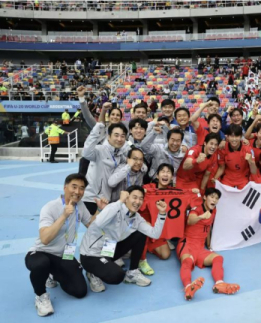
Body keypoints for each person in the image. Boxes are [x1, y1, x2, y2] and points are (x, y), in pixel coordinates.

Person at [25, 174, 100, 317]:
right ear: (65, 187)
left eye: (82, 188)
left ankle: (52, 274)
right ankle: (41, 296)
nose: (78, 192)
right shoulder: (50, 207)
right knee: (41, 264)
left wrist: (100, 211)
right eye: (74, 187)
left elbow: (91, 224)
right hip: (41, 252)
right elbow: (45, 238)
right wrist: (64, 216)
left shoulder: (80, 205)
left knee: (80, 291)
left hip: (64, 256)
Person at [80, 186, 167, 293]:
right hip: (91, 255)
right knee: (117, 276)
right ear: (126, 198)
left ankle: (132, 273)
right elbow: (98, 223)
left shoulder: (136, 217)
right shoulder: (114, 208)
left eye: (140, 199)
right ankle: (92, 272)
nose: (137, 201)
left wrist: (162, 214)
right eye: (134, 197)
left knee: (140, 234)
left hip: (108, 250)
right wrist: (119, 201)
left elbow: (155, 234)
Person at [177, 188, 240, 300]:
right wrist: (201, 216)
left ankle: (219, 284)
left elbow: (208, 228)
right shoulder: (197, 207)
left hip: (200, 248)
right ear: (205, 197)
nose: (214, 200)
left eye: (216, 198)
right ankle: (188, 287)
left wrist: (209, 245)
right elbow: (190, 220)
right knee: (187, 262)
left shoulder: (214, 210)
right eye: (212, 197)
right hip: (187, 244)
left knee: (218, 258)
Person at [138, 163, 200, 275]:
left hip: (159, 230)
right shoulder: (148, 189)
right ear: (157, 175)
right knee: (144, 228)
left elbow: (190, 204)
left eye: (168, 172)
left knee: (166, 255)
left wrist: (193, 193)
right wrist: (143, 194)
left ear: (172, 177)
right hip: (144, 227)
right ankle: (141, 258)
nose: (165, 174)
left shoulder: (176, 192)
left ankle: (149, 247)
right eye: (163, 171)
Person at [82, 123, 128, 215]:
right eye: (116, 135)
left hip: (106, 200)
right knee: (94, 227)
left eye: (122, 136)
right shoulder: (99, 150)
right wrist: (97, 128)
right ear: (109, 137)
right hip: (92, 198)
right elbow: (86, 153)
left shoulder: (120, 156)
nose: (119, 139)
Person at [213, 124, 257, 190]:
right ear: (227, 137)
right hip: (228, 178)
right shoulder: (222, 148)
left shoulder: (248, 149)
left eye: (237, 136)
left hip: (243, 178)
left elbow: (254, 172)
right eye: (231, 136)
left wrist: (251, 162)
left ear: (241, 137)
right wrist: (215, 178)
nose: (234, 139)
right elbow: (221, 167)